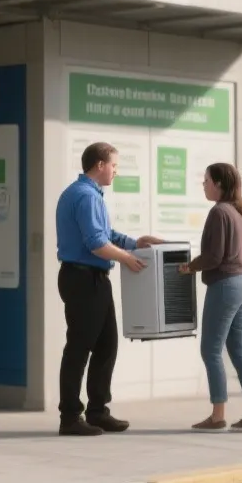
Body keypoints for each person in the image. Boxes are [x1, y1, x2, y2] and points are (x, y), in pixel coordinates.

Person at [54, 142, 164, 437]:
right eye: (114, 165)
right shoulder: (86, 197)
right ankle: (70, 417)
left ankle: (98, 411)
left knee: (106, 345)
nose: (116, 171)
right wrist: (128, 259)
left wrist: (135, 243)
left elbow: (106, 235)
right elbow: (96, 244)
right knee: (79, 348)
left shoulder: (88, 195)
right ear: (100, 165)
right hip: (83, 279)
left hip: (91, 279)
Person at [179, 162, 242, 431]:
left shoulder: (219, 212)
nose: (204, 185)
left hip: (225, 285)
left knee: (211, 350)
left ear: (219, 184)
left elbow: (214, 257)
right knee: (239, 351)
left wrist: (189, 267)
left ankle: (217, 415)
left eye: (206, 181)